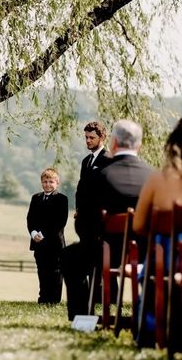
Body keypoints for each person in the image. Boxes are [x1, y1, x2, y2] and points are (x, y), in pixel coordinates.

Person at [62, 119, 153, 320]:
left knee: (70, 257)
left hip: (106, 252)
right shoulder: (153, 177)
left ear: (111, 142)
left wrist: (92, 239)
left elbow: (84, 222)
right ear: (139, 144)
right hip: (148, 253)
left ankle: (84, 320)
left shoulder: (100, 176)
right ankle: (149, 320)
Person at [133, 117, 182, 347]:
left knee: (157, 255)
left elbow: (138, 226)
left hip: (166, 263)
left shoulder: (158, 179)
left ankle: (151, 329)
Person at [26, 167, 68, 304]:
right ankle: (43, 298)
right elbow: (30, 219)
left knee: (55, 272)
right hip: (38, 243)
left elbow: (60, 221)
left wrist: (43, 234)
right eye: (45, 182)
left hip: (54, 243)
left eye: (51, 181)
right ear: (41, 182)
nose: (47, 184)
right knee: (42, 271)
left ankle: (54, 300)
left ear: (57, 183)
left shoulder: (62, 199)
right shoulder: (36, 198)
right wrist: (33, 233)